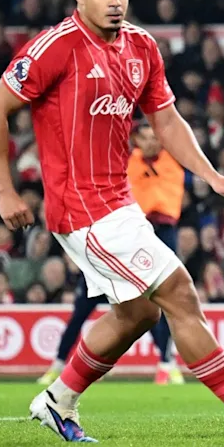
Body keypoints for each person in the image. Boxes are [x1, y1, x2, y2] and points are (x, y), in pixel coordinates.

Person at [0, 0, 224, 443]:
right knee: (178, 292)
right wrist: (5, 192)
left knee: (140, 313)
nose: (115, 2)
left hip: (118, 201)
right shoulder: (55, 47)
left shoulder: (142, 47)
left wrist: (213, 176)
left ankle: (57, 399)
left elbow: (167, 122)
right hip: (81, 207)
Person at [36, 123, 184, 387]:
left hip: (159, 233)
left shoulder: (173, 159)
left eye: (155, 137)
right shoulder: (127, 161)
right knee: (83, 308)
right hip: (125, 235)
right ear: (136, 139)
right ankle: (58, 364)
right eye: (145, 137)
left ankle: (166, 364)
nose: (150, 142)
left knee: (153, 305)